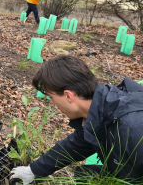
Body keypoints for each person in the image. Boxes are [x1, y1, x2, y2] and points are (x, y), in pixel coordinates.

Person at [10, 55, 143, 184]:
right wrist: (33, 170)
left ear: (68, 96)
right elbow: (74, 146)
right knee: (85, 175)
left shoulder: (132, 127)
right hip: (128, 172)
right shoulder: (100, 111)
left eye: (51, 97)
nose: (51, 103)